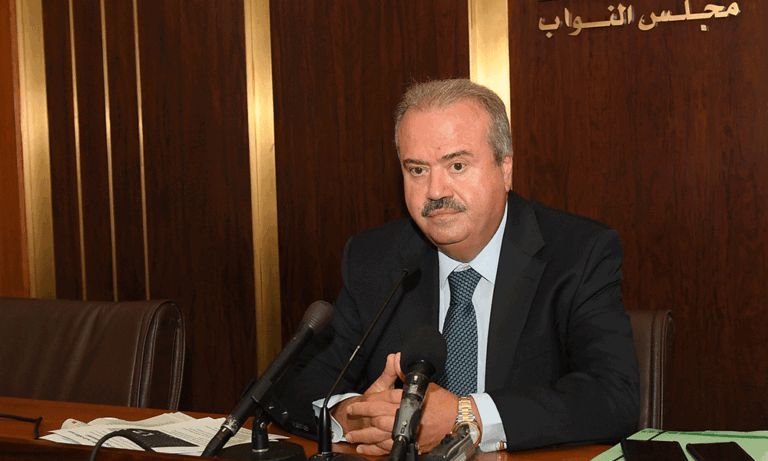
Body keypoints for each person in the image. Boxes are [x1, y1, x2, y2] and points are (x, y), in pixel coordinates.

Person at [270, 79, 639, 455]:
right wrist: (354, 416)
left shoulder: (579, 253)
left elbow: (614, 396)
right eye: (417, 170)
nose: (435, 191)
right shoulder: (376, 258)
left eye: (457, 165)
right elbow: (293, 383)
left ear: (505, 168)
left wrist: (468, 417)